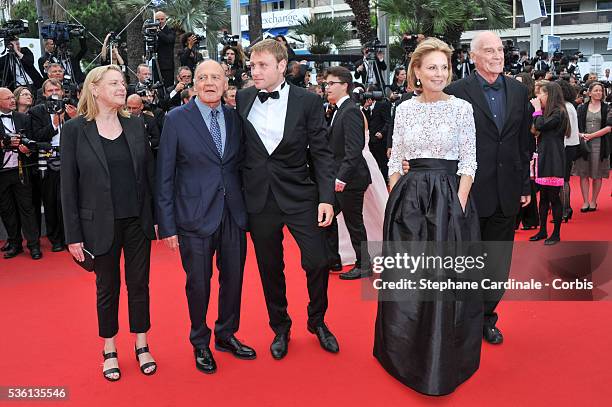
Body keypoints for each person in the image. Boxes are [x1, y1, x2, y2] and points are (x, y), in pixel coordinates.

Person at [374, 38, 481, 396]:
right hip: (409, 199)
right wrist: (395, 191)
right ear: (417, 72)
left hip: (449, 199)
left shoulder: (462, 108)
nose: (439, 73)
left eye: (444, 67)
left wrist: (459, 204)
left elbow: (468, 162)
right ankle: (404, 354)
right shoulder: (404, 109)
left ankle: (443, 360)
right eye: (432, 67)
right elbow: (394, 157)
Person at [235, 39, 338, 359]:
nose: (255, 70)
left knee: (318, 260)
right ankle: (280, 326)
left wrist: (326, 198)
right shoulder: (243, 97)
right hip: (260, 198)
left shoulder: (307, 101)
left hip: (299, 195)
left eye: (262, 65)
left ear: (282, 66)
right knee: (269, 266)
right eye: (252, 65)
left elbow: (321, 153)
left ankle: (317, 320)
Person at [157, 60, 255, 374]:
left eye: (215, 77)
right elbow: (165, 176)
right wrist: (168, 223)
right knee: (198, 284)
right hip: (193, 217)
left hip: (233, 215)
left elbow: (239, 166)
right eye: (202, 77)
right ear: (192, 83)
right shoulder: (175, 119)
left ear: (226, 83)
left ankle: (226, 334)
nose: (209, 82)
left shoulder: (235, 117)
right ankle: (200, 341)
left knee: (234, 280)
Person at [60, 65, 157, 381]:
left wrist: (156, 219)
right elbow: (68, 187)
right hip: (98, 224)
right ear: (95, 88)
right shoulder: (75, 130)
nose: (121, 87)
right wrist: (73, 235)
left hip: (137, 221)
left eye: (122, 82)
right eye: (114, 83)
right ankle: (110, 349)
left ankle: (142, 344)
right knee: (107, 288)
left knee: (139, 285)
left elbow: (149, 177)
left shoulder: (135, 125)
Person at [444, 31, 532, 345]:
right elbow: (448, 146)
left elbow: (524, 142)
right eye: (489, 51)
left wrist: (525, 185)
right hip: (469, 192)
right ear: (473, 56)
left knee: (496, 263)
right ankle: (462, 320)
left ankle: (486, 318)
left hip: (507, 191)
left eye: (500, 50)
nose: (497, 56)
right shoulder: (455, 92)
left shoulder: (519, 91)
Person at [323, 66, 372, 280]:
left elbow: (354, 149)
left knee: (354, 223)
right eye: (325, 84)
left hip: (350, 179)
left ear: (345, 85)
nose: (327, 88)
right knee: (326, 216)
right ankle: (332, 259)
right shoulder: (338, 110)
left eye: (331, 84)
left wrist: (341, 178)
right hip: (341, 177)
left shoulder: (350, 110)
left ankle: (364, 264)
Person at [29, 78, 79, 252]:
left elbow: (83, 133)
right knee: (50, 202)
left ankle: (69, 237)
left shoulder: (71, 108)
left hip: (71, 160)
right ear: (43, 94)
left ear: (62, 92)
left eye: (56, 90)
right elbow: (37, 137)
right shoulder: (36, 112)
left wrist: (75, 118)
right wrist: (54, 124)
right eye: (50, 91)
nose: (53, 94)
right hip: (48, 162)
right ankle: (55, 238)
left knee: (69, 201)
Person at [0, 87, 42, 260]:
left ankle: (34, 245)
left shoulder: (23, 118)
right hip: (1, 173)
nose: (12, 100)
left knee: (28, 208)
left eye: (12, 97)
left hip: (21, 170)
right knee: (6, 209)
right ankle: (14, 242)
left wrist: (27, 149)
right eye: (8, 98)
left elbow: (33, 143)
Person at [527, 81, 570, 245]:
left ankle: (556, 233)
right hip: (544, 157)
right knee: (543, 198)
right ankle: (543, 230)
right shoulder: (549, 112)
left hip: (554, 159)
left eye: (541, 94)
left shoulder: (558, 112)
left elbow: (540, 125)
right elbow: (535, 129)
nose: (538, 97)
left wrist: (537, 110)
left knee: (554, 198)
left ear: (549, 95)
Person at [573, 82, 611, 211]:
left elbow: (609, 127)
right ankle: (585, 201)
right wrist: (581, 135)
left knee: (597, 174)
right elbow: (575, 126)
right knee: (584, 173)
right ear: (589, 93)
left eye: (600, 91)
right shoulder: (581, 108)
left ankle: (594, 200)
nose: (599, 93)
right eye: (596, 90)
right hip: (584, 143)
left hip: (600, 145)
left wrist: (592, 135)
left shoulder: (607, 108)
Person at [514, 72, 539, 230]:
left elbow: (533, 129)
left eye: (520, 83)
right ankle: (527, 220)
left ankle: (529, 220)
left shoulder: (530, 104)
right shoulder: (514, 102)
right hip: (515, 148)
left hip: (527, 148)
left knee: (526, 184)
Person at [556, 79, 580, 222]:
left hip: (566, 146)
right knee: (563, 179)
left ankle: (565, 208)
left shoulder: (566, 107)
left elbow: (566, 131)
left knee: (563, 180)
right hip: (569, 146)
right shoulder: (569, 106)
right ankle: (565, 208)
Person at [154, 11, 176, 87]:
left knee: (168, 86)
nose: (160, 21)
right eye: (157, 19)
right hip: (156, 64)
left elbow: (169, 40)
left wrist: (159, 32)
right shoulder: (152, 30)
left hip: (167, 65)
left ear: (165, 19)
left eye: (162, 19)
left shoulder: (170, 29)